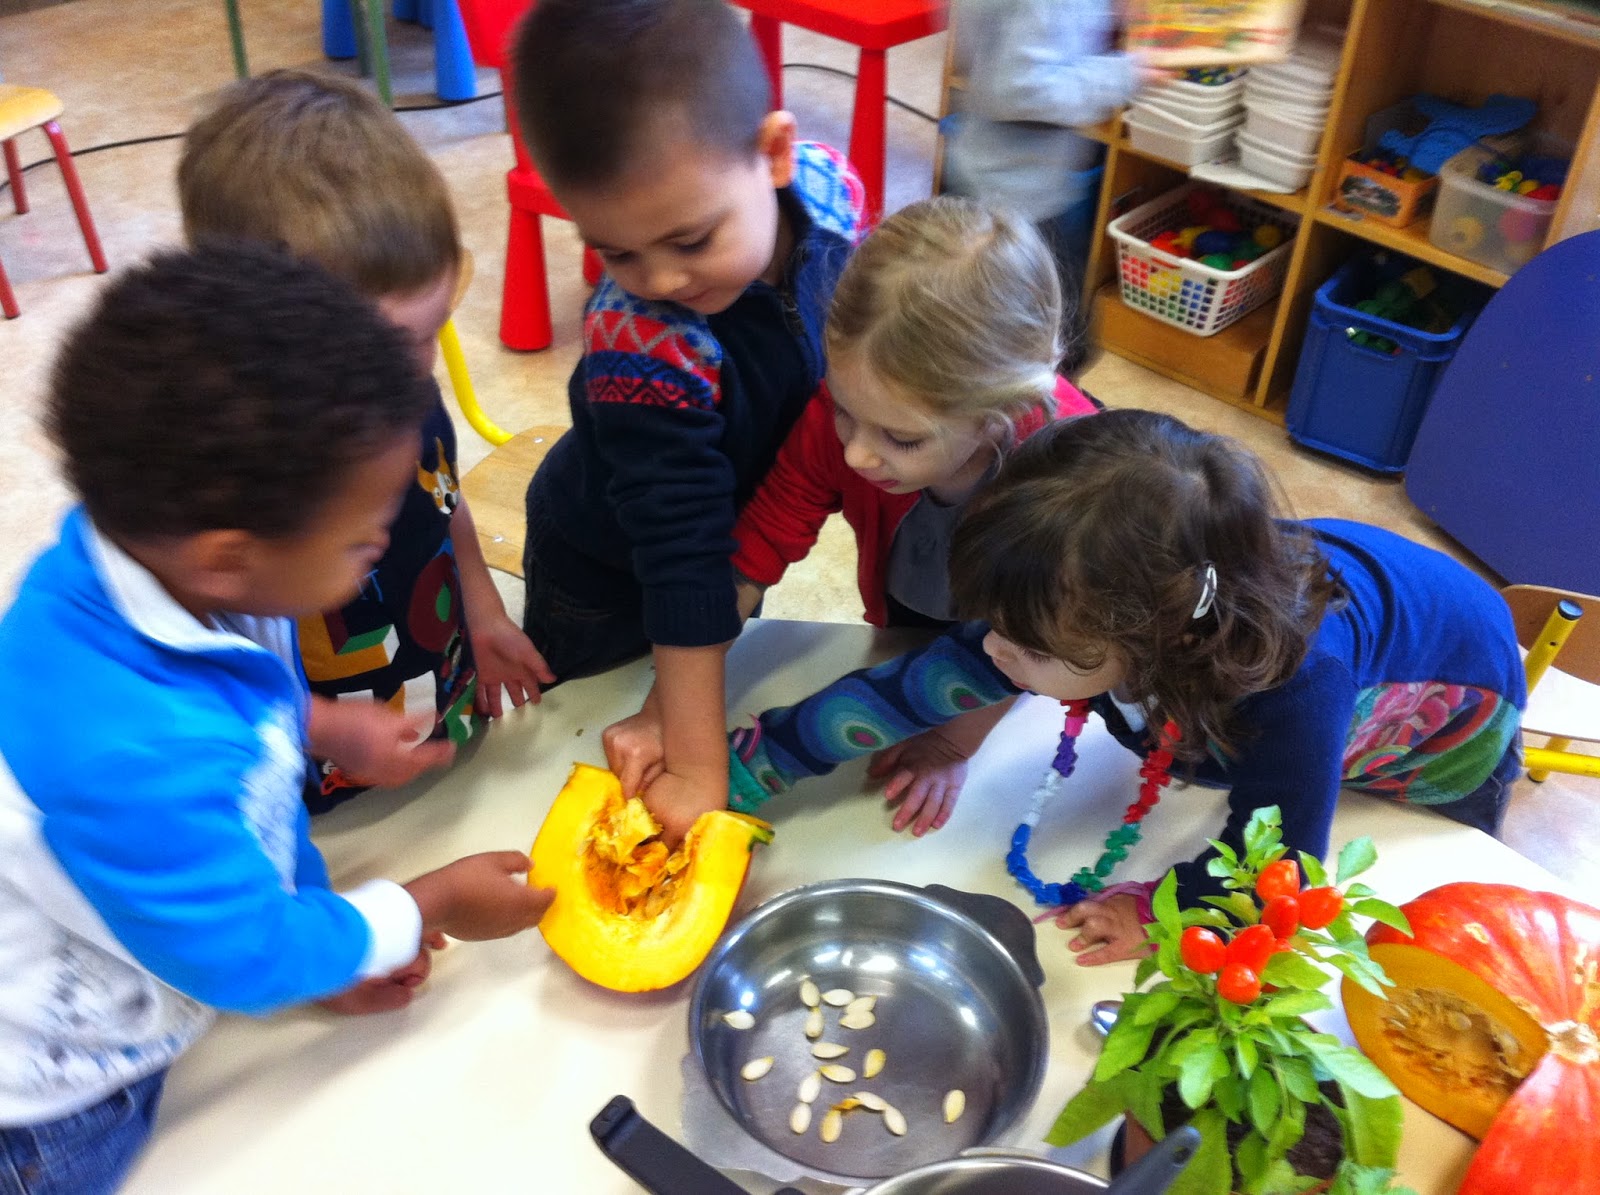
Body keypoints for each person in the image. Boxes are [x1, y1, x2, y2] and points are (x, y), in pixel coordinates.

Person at [0, 246, 554, 1194]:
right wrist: (430, 902)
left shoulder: (123, 568)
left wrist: (328, 727)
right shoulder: (140, 757)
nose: (383, 543)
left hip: (145, 923)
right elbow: (246, 957)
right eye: (359, 537)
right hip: (49, 1101)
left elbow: (227, 691)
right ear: (229, 557)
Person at [725, 410, 1525, 967]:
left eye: (1029, 648)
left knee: (1443, 880)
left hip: (1449, 723)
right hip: (1290, 683)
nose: (994, 651)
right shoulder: (1077, 605)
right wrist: (755, 764)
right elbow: (912, 689)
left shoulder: (1296, 687)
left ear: (1159, 637)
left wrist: (1162, 908)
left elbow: (1282, 868)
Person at [606, 196, 1097, 838]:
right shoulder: (848, 420)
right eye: (842, 408)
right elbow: (750, 556)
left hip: (1021, 648)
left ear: (995, 419)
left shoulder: (1071, 479)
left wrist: (954, 746)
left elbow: (1033, 639)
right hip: (909, 620)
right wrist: (665, 712)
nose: (856, 452)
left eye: (902, 439)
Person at [510, 0, 862, 834]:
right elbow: (679, 555)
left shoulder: (832, 194)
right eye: (617, 252)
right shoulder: (641, 342)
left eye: (691, 240)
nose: (660, 280)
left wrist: (681, 712)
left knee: (709, 669)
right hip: (604, 568)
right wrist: (699, 763)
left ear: (774, 155)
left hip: (736, 542)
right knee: (578, 728)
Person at [178, 70, 553, 813]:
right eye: (387, 350)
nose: (414, 380)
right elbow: (203, 690)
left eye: (430, 333)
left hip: (433, 700)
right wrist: (319, 733)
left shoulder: (402, 394)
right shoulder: (223, 495)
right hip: (319, 781)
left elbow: (446, 503)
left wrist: (481, 610)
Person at [944, 0, 1157, 371]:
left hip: (1001, 174)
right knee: (1048, 343)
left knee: (1023, 332)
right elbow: (1020, 90)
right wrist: (1127, 74)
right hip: (1023, 194)